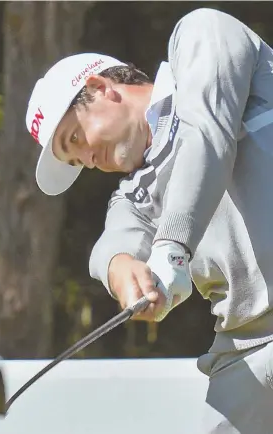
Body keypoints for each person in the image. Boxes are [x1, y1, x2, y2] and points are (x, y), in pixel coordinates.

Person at [26, 7, 273, 433]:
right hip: (250, 346)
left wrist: (171, 246)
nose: (87, 159)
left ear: (100, 87)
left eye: (75, 139)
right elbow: (112, 244)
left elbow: (206, 133)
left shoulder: (201, 35)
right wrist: (123, 272)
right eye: (76, 160)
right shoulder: (134, 195)